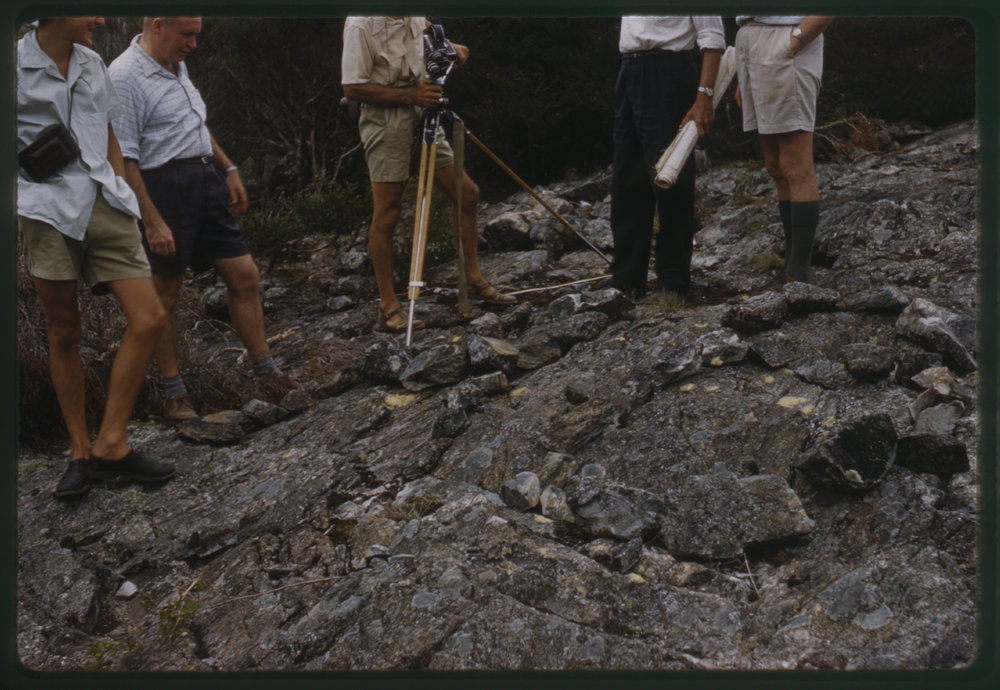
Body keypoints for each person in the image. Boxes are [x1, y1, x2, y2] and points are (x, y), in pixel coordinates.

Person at [109, 17, 299, 423]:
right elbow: (123, 158)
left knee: (245, 276)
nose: (194, 44)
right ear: (158, 25)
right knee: (165, 293)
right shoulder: (124, 75)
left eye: (197, 34)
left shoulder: (176, 62)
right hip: (163, 187)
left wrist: (227, 168)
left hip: (205, 180)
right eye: (187, 34)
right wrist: (152, 221)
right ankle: (174, 393)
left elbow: (192, 123)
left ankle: (266, 370)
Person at [17, 17, 175, 499]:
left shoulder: (92, 63)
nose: (101, 19)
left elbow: (107, 131)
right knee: (64, 331)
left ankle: (112, 443)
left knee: (149, 317)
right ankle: (81, 452)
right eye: (90, 9)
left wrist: (124, 191)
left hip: (105, 201)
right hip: (45, 210)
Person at [341, 16, 516, 333]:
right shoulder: (360, 24)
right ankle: (388, 306)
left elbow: (428, 30)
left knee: (466, 194)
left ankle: (474, 279)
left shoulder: (411, 13)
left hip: (424, 112)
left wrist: (450, 47)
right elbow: (352, 88)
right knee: (388, 213)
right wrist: (411, 96)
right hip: (385, 121)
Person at [605, 16, 725, 300]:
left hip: (669, 71)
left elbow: (712, 38)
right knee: (626, 178)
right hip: (629, 67)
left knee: (671, 177)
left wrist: (704, 95)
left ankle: (673, 279)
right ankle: (627, 277)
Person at [734, 15, 834, 283]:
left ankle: (800, 271)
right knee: (775, 165)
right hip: (751, 39)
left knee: (794, 165)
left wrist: (797, 39)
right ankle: (792, 261)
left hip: (786, 37)